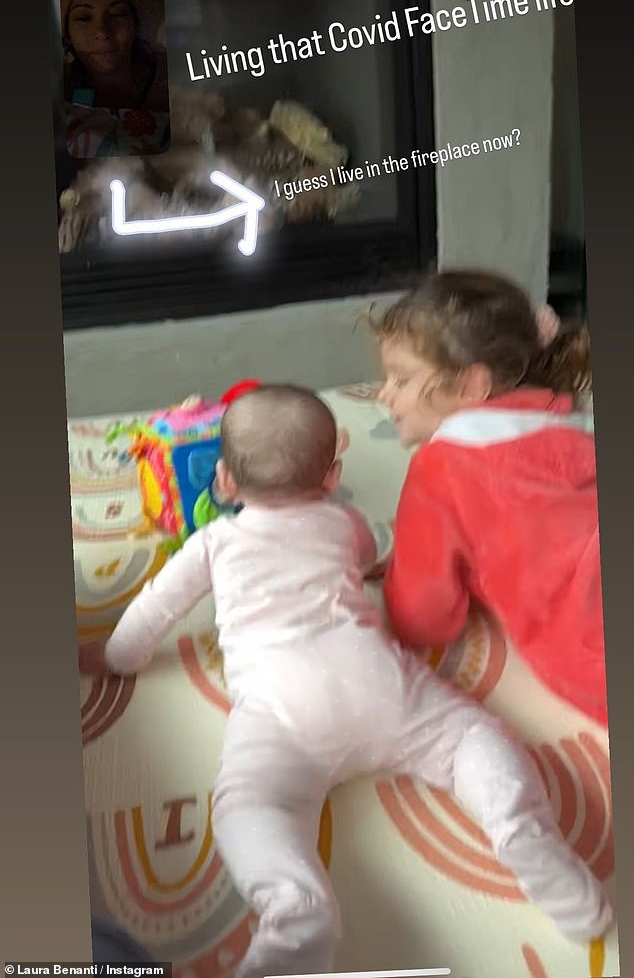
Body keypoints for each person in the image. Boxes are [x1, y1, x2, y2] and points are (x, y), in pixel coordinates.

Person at [79, 385, 612, 978]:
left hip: (281, 715)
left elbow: (153, 609)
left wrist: (115, 658)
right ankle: (518, 825)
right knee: (472, 740)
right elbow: (370, 553)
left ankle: (295, 909)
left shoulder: (214, 543)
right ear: (332, 477)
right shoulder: (341, 523)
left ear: (225, 482)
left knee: (249, 805)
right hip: (381, 688)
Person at [373, 269, 608, 727]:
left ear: (471, 385)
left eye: (401, 380)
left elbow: (423, 619)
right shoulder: (569, 425)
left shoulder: (443, 466)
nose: (384, 395)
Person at [60, 0, 170, 156]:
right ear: (67, 33)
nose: (102, 31)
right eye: (84, 18)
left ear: (135, 26)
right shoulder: (60, 91)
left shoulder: (170, 78)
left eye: (117, 14)